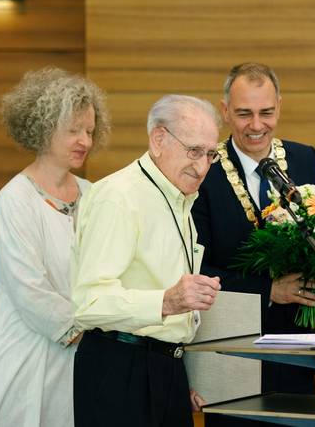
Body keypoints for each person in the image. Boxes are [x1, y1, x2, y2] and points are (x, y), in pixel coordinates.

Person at [71, 94, 221, 427]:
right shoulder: (119, 196)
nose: (202, 166)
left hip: (165, 367)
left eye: (211, 154)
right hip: (120, 367)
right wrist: (167, 301)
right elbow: (89, 302)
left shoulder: (179, 197)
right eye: (194, 151)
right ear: (158, 140)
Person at [0, 67, 110, 427]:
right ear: (43, 128)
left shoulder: (93, 194)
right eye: (73, 130)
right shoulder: (15, 198)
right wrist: (95, 332)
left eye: (90, 131)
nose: (84, 140)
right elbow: (29, 288)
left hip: (82, 355)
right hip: (27, 352)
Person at [192, 62, 315, 426]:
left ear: (279, 106)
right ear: (224, 111)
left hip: (297, 350)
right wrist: (268, 289)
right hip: (232, 352)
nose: (256, 125)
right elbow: (197, 268)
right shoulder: (204, 170)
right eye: (244, 114)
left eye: (266, 112)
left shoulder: (305, 158)